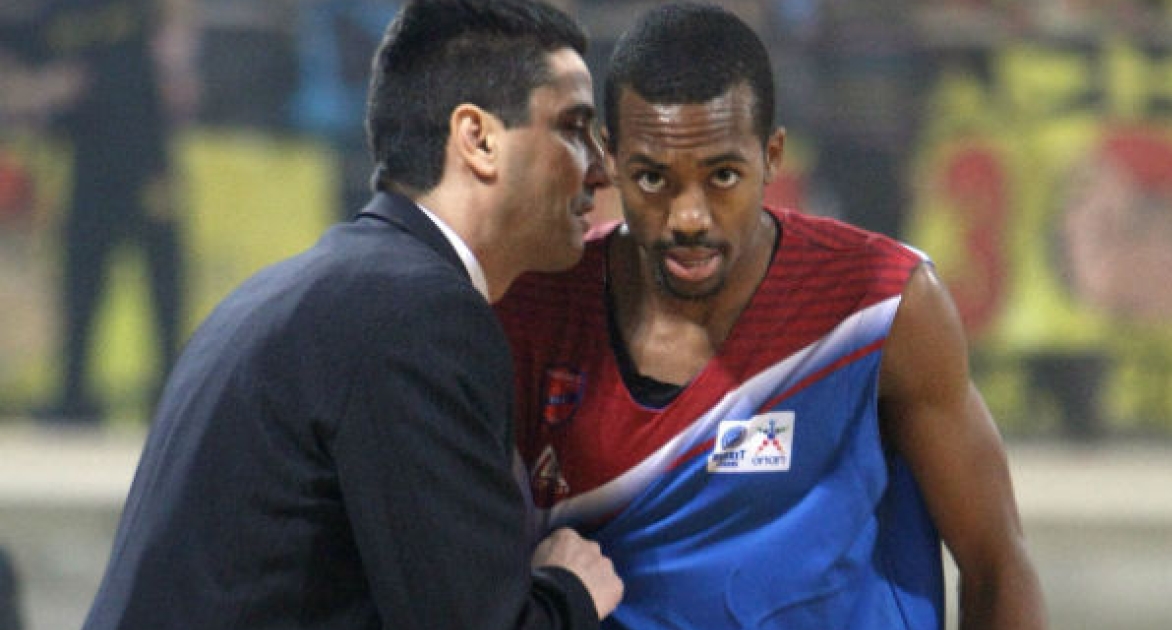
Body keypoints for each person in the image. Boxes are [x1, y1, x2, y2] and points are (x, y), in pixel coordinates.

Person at [494, 3, 1046, 629]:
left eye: (723, 175)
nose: (689, 217)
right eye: (652, 179)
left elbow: (997, 562)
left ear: (773, 156)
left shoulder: (884, 305)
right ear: (609, 159)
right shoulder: (531, 307)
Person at [83, 1, 621, 628]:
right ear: (478, 139)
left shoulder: (306, 291)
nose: (600, 167)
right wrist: (570, 592)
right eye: (573, 128)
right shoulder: (419, 316)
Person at [21, 0, 199, 423]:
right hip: (89, 162)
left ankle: (169, 392)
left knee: (164, 282)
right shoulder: (56, 14)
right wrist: (44, 87)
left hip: (147, 159)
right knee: (81, 282)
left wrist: (179, 59)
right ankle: (73, 394)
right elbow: (24, 67)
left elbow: (178, 34)